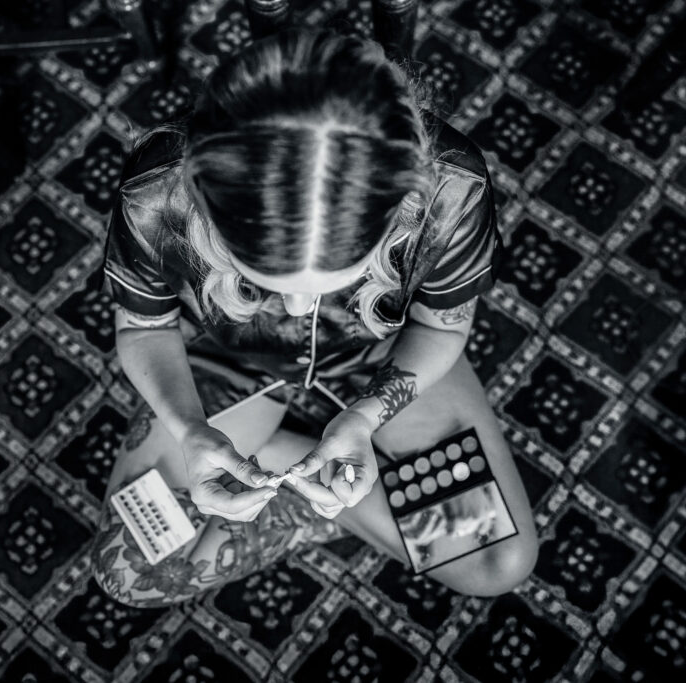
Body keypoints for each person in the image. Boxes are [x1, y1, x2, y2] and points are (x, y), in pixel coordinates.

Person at [91, 27, 538, 608]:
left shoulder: (454, 190)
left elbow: (440, 325)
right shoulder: (154, 194)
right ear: (200, 201)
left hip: (385, 355)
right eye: (263, 283)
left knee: (497, 563)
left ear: (400, 204)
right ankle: (327, 485)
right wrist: (191, 430)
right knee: (129, 576)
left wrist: (365, 419)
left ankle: (289, 471)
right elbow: (144, 327)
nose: (300, 307)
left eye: (334, 281)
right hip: (221, 362)